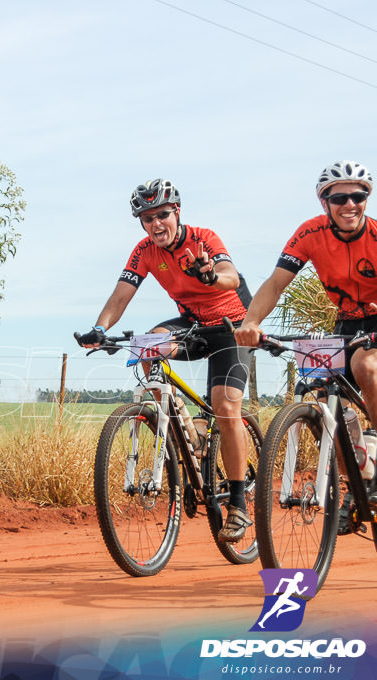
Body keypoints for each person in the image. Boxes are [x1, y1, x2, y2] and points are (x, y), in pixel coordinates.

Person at [76, 178, 255, 542]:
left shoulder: (204, 238)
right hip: (193, 324)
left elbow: (231, 276)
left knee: (224, 405)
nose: (156, 224)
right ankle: (189, 434)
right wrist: (99, 327)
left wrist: (209, 274)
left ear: (177, 212)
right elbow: (122, 294)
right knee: (147, 346)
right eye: (147, 218)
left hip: (232, 325)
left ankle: (238, 503)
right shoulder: (144, 251)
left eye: (162, 215)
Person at [235, 160, 377, 515]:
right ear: (325, 203)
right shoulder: (309, 234)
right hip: (347, 322)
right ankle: (357, 477)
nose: (350, 204)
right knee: (324, 398)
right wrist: (251, 322)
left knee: (367, 366)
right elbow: (276, 283)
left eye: (359, 195)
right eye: (340, 198)